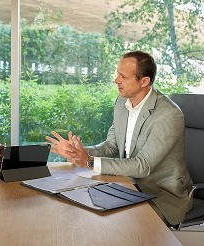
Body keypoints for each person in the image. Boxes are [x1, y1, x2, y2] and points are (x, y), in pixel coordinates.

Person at [46, 51, 193, 226]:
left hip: (161, 194)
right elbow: (111, 146)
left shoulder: (168, 114)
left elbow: (142, 166)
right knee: (80, 212)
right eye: (117, 74)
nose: (116, 80)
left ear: (144, 81)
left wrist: (90, 162)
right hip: (126, 184)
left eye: (123, 76)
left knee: (115, 227)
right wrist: (79, 152)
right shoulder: (122, 103)